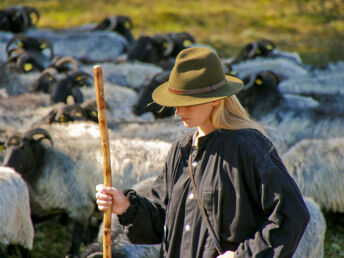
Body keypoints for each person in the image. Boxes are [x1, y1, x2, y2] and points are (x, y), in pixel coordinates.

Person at [95, 47, 310, 258]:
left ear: (216, 99)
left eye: (187, 103)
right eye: (176, 103)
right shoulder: (181, 149)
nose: (179, 112)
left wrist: (243, 256)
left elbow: (291, 214)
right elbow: (163, 221)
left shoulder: (249, 147)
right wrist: (124, 206)